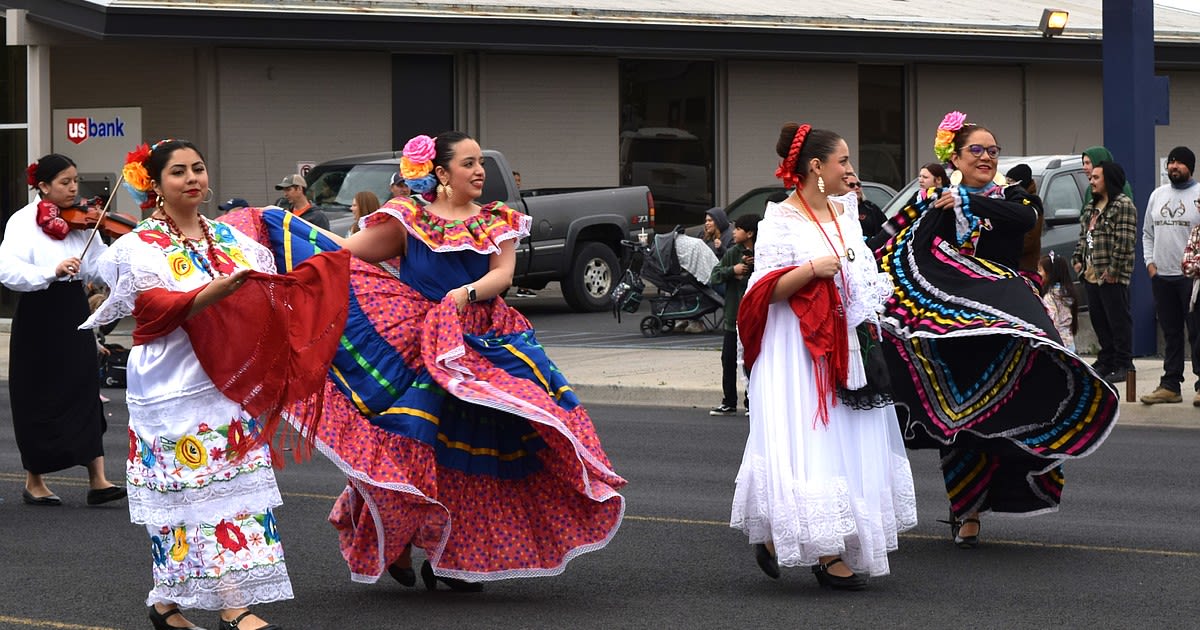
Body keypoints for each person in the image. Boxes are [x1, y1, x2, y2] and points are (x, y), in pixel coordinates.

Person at [224, 131, 626, 591]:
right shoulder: (409, 218)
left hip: (486, 342)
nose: (479, 171)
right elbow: (340, 256)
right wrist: (273, 249)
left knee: (489, 444)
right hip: (419, 341)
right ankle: (397, 541)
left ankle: (450, 553)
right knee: (414, 443)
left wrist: (464, 294)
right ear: (440, 173)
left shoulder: (497, 220)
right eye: (469, 163)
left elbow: (503, 274)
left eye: (481, 163)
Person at [83, 139, 315, 630]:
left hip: (226, 383)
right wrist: (217, 292)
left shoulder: (234, 242)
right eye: (178, 172)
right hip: (173, 383)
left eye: (199, 169)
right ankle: (234, 609)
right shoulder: (137, 247)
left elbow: (263, 305)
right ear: (156, 185)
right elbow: (154, 309)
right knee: (190, 496)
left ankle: (168, 603)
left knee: (228, 494)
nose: (192, 178)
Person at [878, 111, 1119, 551]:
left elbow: (1024, 220)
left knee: (1010, 410)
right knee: (959, 421)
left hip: (1004, 322)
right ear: (955, 156)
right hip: (954, 328)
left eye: (993, 150)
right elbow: (893, 242)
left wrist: (967, 203)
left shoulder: (1011, 197)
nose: (987, 157)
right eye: (977, 150)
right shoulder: (934, 200)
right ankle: (965, 509)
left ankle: (992, 493)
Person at [731, 122, 917, 591]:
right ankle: (825, 551)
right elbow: (765, 291)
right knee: (817, 442)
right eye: (844, 161)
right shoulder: (779, 220)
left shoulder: (847, 212)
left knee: (850, 440)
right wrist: (811, 269)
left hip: (848, 342)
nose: (851, 170)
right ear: (817, 167)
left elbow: (863, 272)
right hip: (800, 348)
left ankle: (810, 538)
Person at [0, 153, 125, 507]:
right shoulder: (22, 222)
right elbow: (6, 269)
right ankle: (34, 481)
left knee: (84, 389)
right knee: (35, 394)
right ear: (42, 186)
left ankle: (98, 479)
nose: (74, 188)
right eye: (65, 182)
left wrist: (124, 266)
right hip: (39, 312)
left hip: (73, 309)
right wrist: (50, 271)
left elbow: (99, 266)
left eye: (75, 180)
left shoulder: (82, 221)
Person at [1139, 147, 1200, 405]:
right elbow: (1147, 233)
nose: (1174, 166)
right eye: (1171, 162)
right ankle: (1170, 385)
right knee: (1171, 332)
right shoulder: (1158, 195)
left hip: (1192, 279)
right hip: (1162, 277)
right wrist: (1150, 264)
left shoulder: (1198, 194)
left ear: (1190, 167)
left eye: (1180, 163)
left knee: (1197, 332)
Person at [1073, 160, 1138, 384]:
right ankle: (1106, 359)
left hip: (1111, 275)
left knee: (1118, 320)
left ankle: (1124, 364)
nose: (1091, 181)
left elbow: (1126, 241)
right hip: (1091, 273)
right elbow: (1084, 237)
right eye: (1091, 178)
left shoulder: (1123, 205)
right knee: (1099, 320)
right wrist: (1077, 259)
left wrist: (1113, 270)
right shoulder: (1092, 206)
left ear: (1109, 179)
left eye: (1096, 177)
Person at [707, 213, 758, 416]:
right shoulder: (732, 253)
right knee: (727, 359)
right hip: (732, 317)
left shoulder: (764, 254)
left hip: (753, 318)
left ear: (750, 233)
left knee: (751, 360)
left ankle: (751, 401)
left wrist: (754, 269)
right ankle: (728, 401)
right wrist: (733, 270)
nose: (733, 232)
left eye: (737, 229)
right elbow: (714, 276)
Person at [1005, 163, 1046, 283]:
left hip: (1025, 268)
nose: (1007, 185)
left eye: (1010, 181)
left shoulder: (1032, 204)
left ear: (1020, 182)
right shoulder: (1010, 200)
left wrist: (1006, 246)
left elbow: (1029, 239)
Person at [1039, 252, 1080, 353]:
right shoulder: (1067, 293)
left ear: (1049, 273)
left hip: (1057, 346)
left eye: (1040, 270)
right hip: (1069, 343)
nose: (1038, 273)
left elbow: (1052, 322)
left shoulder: (1050, 297)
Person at [844, 167, 885, 239]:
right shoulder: (836, 209)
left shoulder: (871, 207)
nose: (856, 187)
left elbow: (885, 230)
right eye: (851, 185)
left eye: (858, 184)